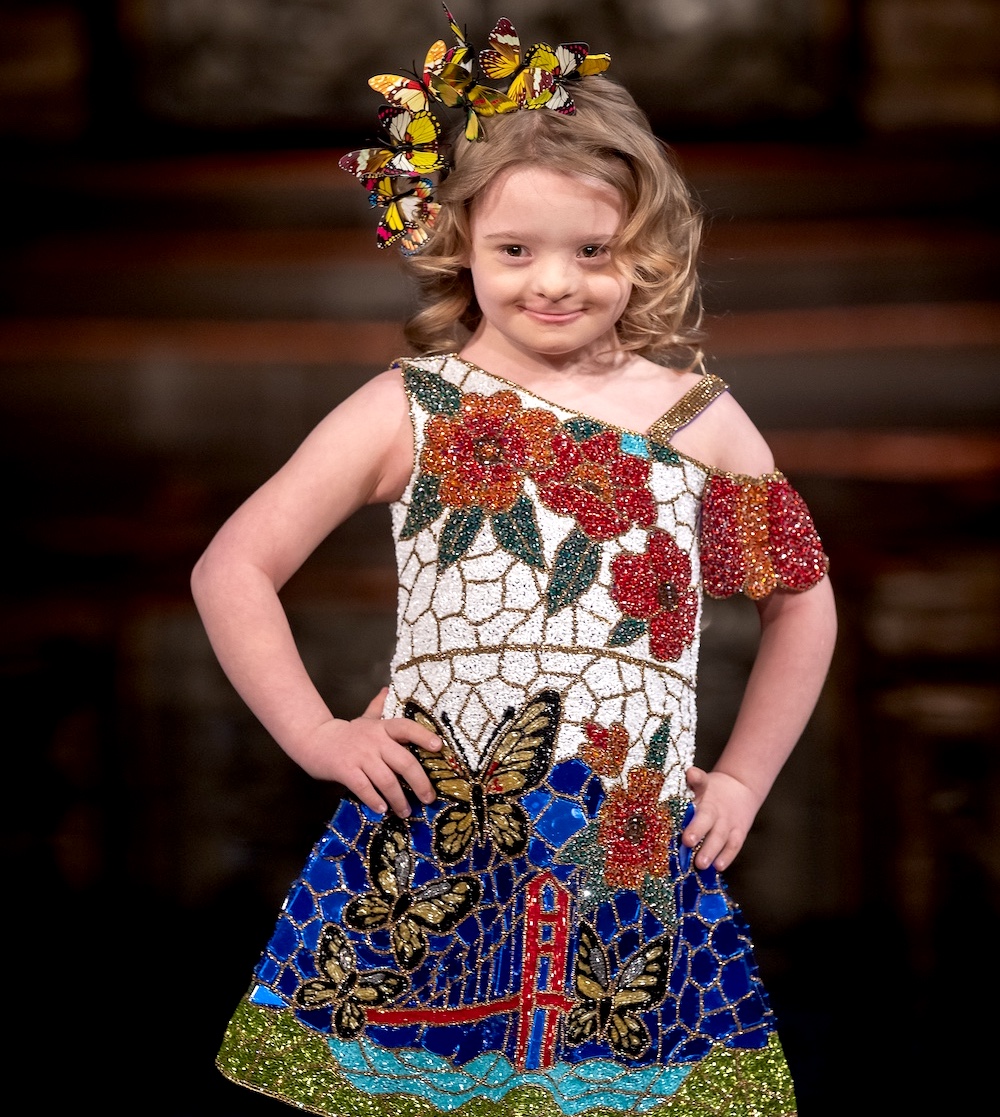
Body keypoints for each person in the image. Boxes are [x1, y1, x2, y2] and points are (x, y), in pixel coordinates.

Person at [191, 9, 837, 1115]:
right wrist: (315, 733)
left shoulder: (699, 421)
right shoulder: (416, 407)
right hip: (447, 829)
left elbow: (802, 607)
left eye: (594, 251)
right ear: (457, 243)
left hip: (622, 845)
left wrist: (743, 777)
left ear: (648, 246)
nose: (556, 281)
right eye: (515, 250)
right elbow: (234, 565)